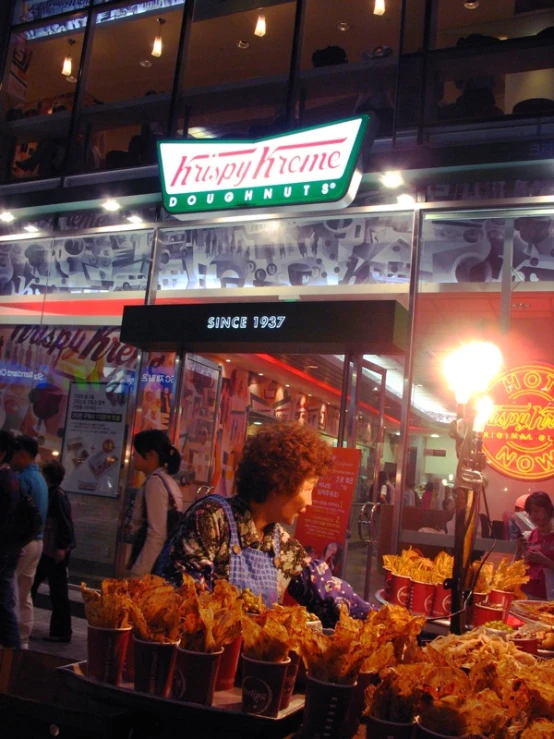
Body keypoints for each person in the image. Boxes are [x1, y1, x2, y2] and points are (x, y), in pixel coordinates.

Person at [161, 422, 372, 627]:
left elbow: (325, 590)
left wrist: (378, 620)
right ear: (279, 483)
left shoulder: (279, 542)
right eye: (309, 488)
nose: (310, 501)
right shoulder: (211, 519)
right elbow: (185, 604)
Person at [128, 430, 185, 576]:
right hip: (161, 564)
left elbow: (157, 534)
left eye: (137, 451)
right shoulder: (168, 481)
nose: (133, 455)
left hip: (152, 568)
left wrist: (139, 572)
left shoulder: (155, 483)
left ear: (151, 455)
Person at [31, 460, 75, 643]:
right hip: (50, 549)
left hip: (53, 551)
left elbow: (65, 524)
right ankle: (59, 631)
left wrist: (61, 547)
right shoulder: (57, 493)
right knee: (43, 587)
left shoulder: (55, 495)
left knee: (57, 591)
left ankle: (61, 631)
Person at [11, 435, 48, 648]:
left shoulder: (23, 479)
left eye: (14, 454)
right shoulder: (40, 479)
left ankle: (8, 639)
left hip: (23, 543)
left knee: (9, 590)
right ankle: (22, 639)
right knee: (24, 592)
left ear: (22, 454)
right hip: (37, 542)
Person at [0, 430, 23, 648]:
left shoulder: (4, 479)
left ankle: (14, 656)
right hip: (9, 549)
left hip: (3, 550)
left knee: (4, 604)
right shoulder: (13, 478)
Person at [521, 491, 554, 600]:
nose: (533, 515)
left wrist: (545, 561)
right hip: (526, 593)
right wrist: (520, 552)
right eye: (530, 512)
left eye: (536, 511)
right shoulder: (528, 536)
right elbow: (518, 567)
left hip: (548, 597)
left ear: (548, 510)